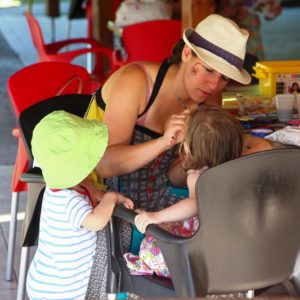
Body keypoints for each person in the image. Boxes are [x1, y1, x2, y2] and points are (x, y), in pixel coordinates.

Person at [85, 14, 272, 297]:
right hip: (106, 197)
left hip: (160, 194)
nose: (214, 85)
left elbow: (175, 172)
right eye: (208, 70)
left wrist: (200, 155)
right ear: (186, 53)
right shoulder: (137, 82)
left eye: (223, 78)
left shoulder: (209, 98)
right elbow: (107, 166)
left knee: (228, 219)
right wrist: (163, 142)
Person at [123, 105, 245, 277]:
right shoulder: (239, 171)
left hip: (202, 249)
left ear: (191, 147)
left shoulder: (198, 175)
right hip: (232, 243)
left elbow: (195, 204)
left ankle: (148, 267)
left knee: (149, 246)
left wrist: (156, 216)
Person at [26, 111, 133, 300]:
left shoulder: (65, 184)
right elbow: (96, 222)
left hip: (47, 277)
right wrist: (111, 197)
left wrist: (98, 194)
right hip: (59, 289)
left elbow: (90, 187)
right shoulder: (69, 201)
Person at [217, 0, 282, 60]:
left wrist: (273, 10)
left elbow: (268, 16)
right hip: (234, 36)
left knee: (255, 65)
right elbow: (218, 15)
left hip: (253, 37)